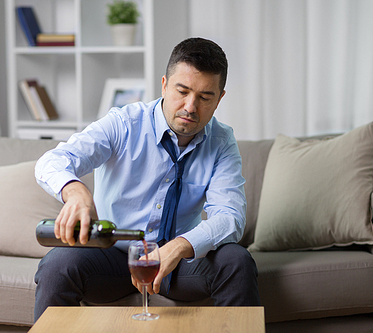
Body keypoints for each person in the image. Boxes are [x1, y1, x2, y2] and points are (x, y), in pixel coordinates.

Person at [33, 37, 260, 321]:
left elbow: (231, 217)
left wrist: (179, 247)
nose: (190, 106)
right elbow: (52, 162)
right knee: (58, 265)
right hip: (113, 258)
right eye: (182, 91)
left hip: (179, 264)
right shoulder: (123, 124)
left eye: (204, 97)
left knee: (236, 261)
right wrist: (76, 191)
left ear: (219, 99)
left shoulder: (222, 141)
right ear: (164, 84)